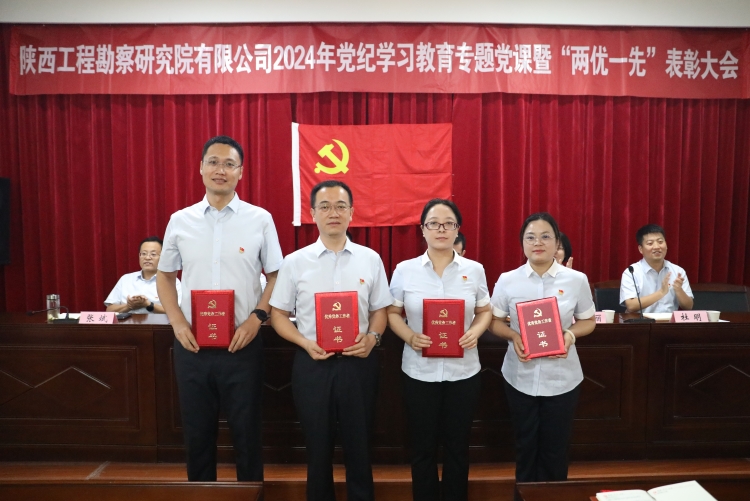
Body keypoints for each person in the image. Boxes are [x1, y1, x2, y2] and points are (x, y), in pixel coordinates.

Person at [156, 135, 284, 482]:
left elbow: (276, 276)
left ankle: (252, 493)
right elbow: (165, 276)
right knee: (197, 435)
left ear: (240, 172)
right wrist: (177, 322)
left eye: (229, 164)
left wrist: (257, 318)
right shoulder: (180, 220)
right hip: (192, 346)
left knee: (247, 434)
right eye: (213, 162)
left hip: (242, 345)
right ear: (200, 168)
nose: (220, 170)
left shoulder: (260, 219)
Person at [269, 180, 392, 501]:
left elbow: (380, 310)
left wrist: (373, 338)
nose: (333, 213)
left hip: (358, 365)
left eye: (340, 206)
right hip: (313, 365)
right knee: (317, 448)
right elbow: (278, 315)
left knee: (360, 446)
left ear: (352, 212)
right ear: (312, 213)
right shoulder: (295, 262)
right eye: (325, 206)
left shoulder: (370, 259)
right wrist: (304, 342)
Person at [387, 199, 491, 501]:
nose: (441, 229)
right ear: (423, 229)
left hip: (464, 372)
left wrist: (475, 331)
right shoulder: (405, 270)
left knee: (458, 447)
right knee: (422, 448)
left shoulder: (474, 270)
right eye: (434, 223)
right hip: (419, 372)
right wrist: (409, 336)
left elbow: (485, 310)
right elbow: (392, 313)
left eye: (448, 223)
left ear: (457, 229)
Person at [488, 212, 596, 492]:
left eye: (545, 236)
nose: (538, 242)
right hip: (519, 376)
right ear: (522, 243)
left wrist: (569, 335)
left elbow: (588, 320)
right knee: (525, 446)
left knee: (555, 449)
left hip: (562, 378)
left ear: (557, 242)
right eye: (531, 237)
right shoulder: (508, 280)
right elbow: (493, 321)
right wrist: (513, 336)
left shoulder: (576, 280)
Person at [619, 224, 694, 313]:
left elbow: (688, 306)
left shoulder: (677, 271)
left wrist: (679, 290)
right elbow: (631, 305)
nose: (657, 247)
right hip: (641, 321)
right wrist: (661, 292)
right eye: (650, 243)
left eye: (660, 242)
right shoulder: (632, 272)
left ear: (666, 245)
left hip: (669, 321)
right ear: (640, 249)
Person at [105, 236, 181, 313]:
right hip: (128, 321)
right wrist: (129, 306)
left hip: (158, 321)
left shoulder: (171, 281)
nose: (147, 258)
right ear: (139, 256)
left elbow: (177, 311)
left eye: (153, 254)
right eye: (144, 254)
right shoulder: (125, 279)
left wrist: (149, 305)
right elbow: (109, 310)